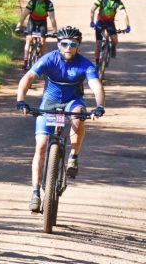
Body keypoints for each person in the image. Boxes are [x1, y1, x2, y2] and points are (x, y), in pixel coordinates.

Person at [16, 26, 104, 213]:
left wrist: (99, 106)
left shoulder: (84, 64)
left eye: (73, 44)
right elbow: (28, 77)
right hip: (50, 103)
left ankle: (73, 157)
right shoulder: (49, 59)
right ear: (58, 44)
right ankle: (35, 193)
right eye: (64, 44)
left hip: (72, 102)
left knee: (79, 113)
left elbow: (95, 85)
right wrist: (21, 101)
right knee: (40, 146)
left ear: (78, 46)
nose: (68, 47)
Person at [15, 0, 58, 70]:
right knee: (29, 39)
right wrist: (18, 26)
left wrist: (55, 31)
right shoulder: (33, 2)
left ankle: (43, 63)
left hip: (42, 22)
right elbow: (24, 15)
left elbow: (52, 18)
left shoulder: (48, 4)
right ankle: (25, 61)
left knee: (42, 41)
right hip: (32, 21)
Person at [90, 0, 130, 66]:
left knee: (115, 41)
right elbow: (92, 10)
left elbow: (124, 14)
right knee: (98, 44)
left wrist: (128, 26)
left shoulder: (118, 2)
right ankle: (97, 63)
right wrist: (92, 21)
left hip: (110, 23)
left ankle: (112, 48)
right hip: (100, 22)